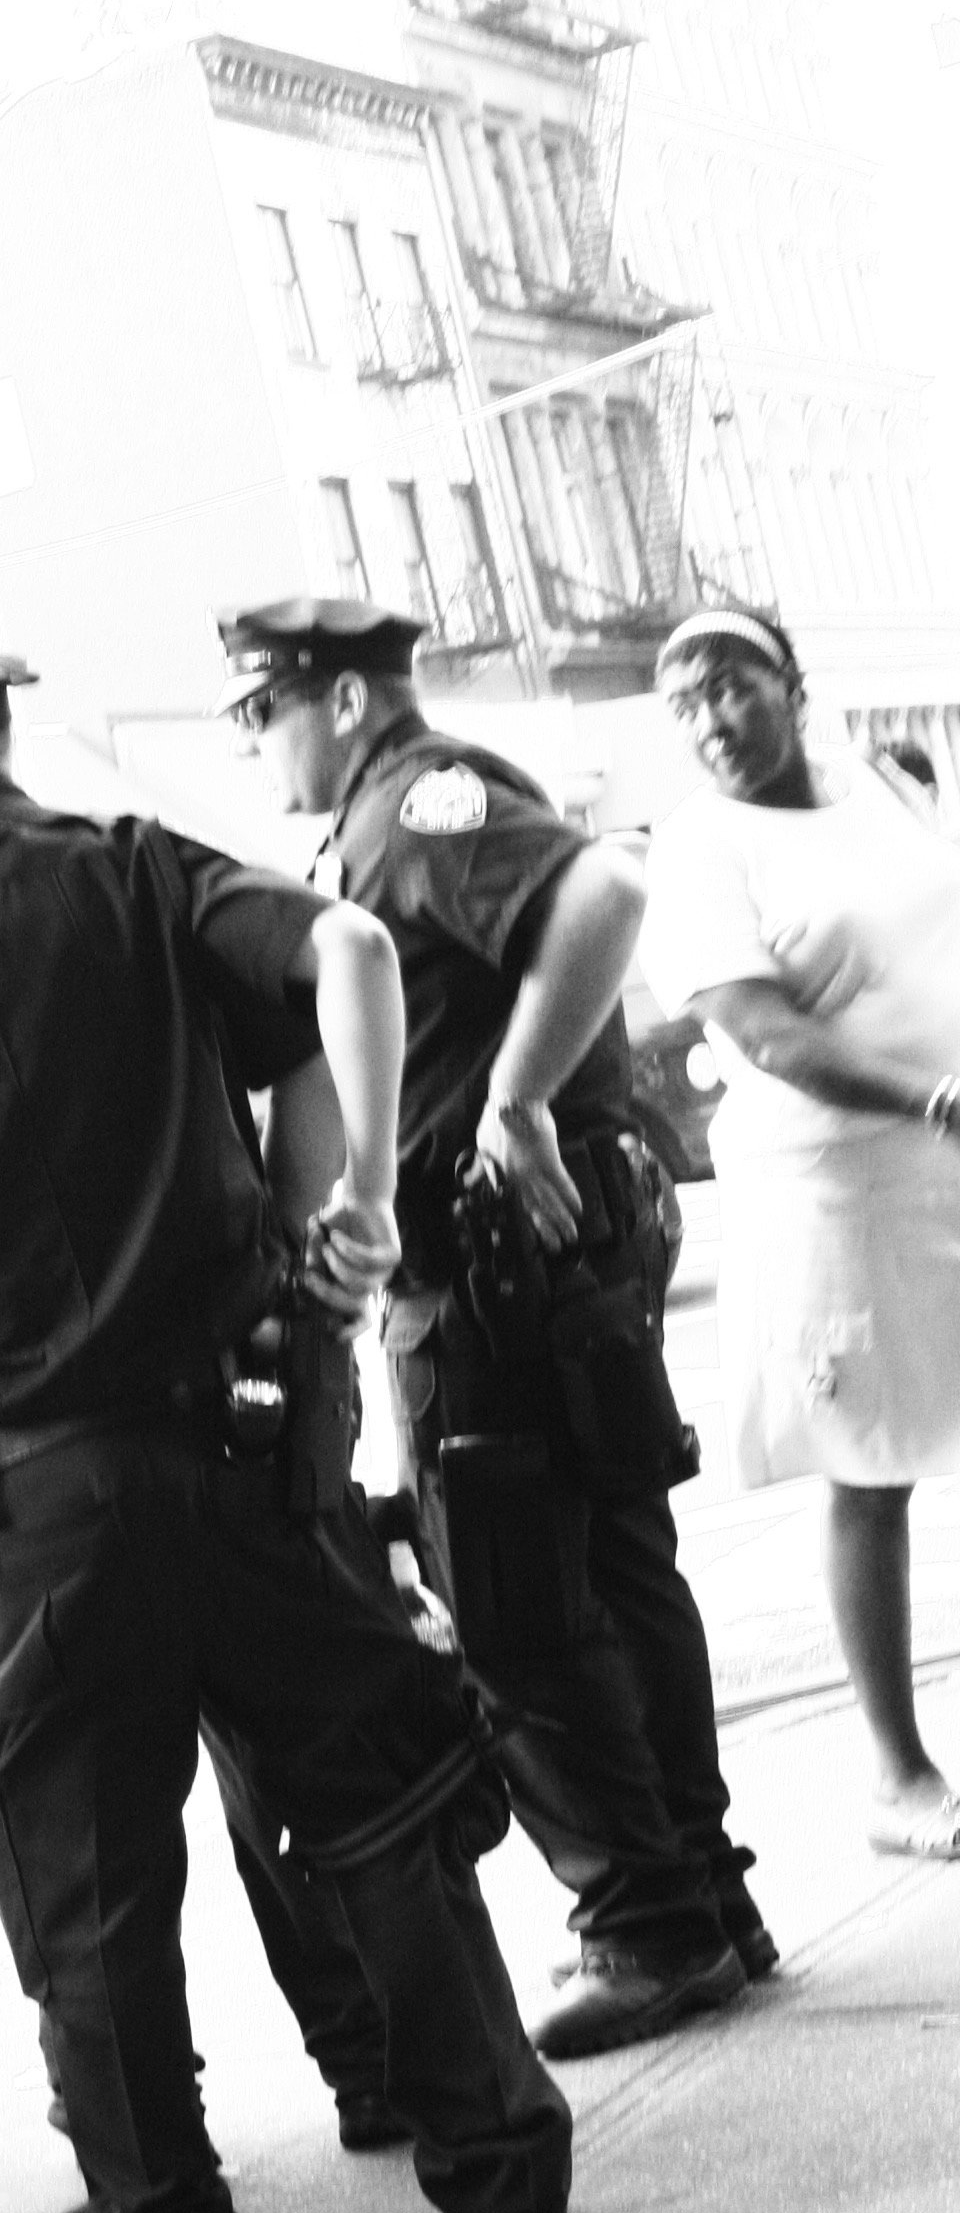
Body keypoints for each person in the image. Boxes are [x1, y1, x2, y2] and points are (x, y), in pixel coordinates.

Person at [0, 635, 573, 2213]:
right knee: (372, 1810)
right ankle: (501, 2179)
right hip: (240, 1447)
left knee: (92, 1890)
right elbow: (341, 951)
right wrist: (344, 1210)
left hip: (40, 1500)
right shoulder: (130, 869)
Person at [223, 597, 768, 2059]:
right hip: (539, 1258)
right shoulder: (389, 816)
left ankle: (647, 1918)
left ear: (338, 702)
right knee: (613, 1568)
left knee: (519, 1611)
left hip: (492, 1273)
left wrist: (517, 1095)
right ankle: (703, 1896)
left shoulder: (414, 805)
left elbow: (605, 894)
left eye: (262, 710)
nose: (254, 742)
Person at [644, 602, 960, 1859]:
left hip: (943, 1153)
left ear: (791, 684)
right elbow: (763, 1033)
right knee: (869, 1465)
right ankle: (896, 1777)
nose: (714, 718)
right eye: (685, 702)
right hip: (837, 1188)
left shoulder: (876, 788)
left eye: (733, 684)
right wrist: (930, 1099)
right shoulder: (697, 848)